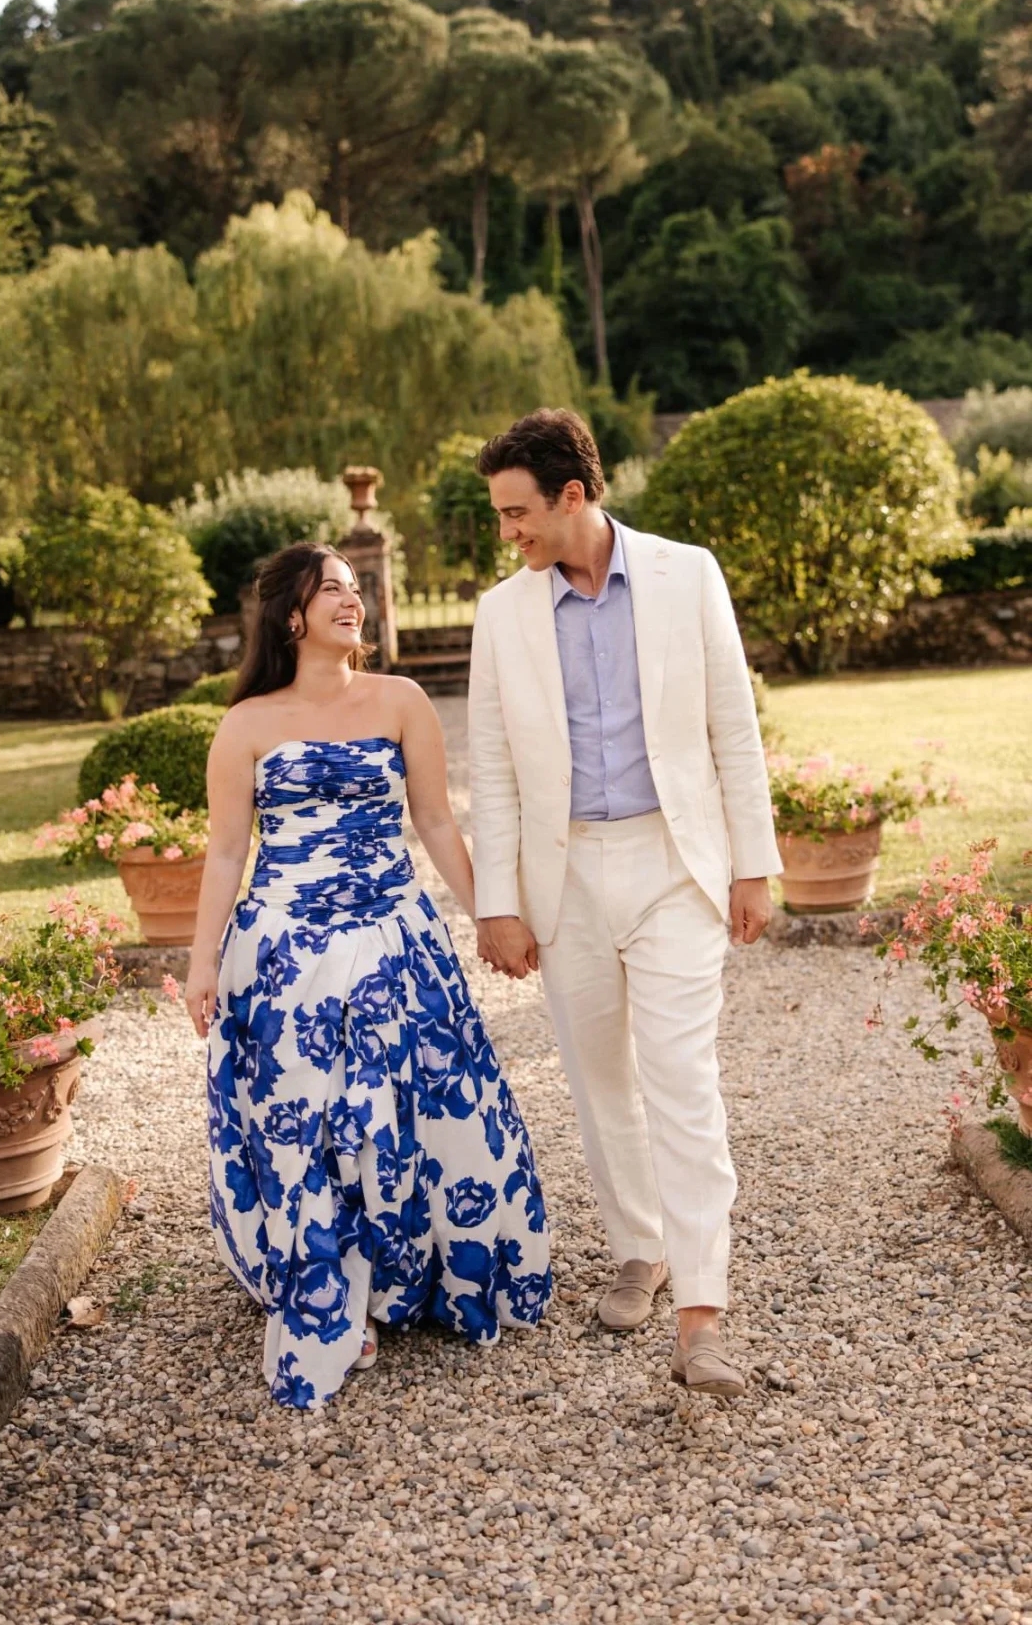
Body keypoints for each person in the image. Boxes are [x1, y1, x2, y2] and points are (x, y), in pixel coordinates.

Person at [184, 541, 551, 1409]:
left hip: (395, 938)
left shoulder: (402, 700)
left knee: (420, 1107)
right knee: (311, 1122)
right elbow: (227, 850)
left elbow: (435, 822)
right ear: (291, 616)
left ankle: (421, 1276)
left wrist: (490, 915)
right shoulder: (246, 724)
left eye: (355, 588)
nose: (353, 602)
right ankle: (339, 1297)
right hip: (284, 952)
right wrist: (202, 962)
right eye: (332, 591)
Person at [468, 409, 780, 1399]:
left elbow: (733, 726)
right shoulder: (500, 615)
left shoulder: (688, 575)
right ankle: (640, 1248)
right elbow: (495, 771)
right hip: (565, 879)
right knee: (601, 1078)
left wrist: (753, 865)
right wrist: (497, 903)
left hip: (673, 864)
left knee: (681, 1076)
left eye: (518, 512)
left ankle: (702, 1317)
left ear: (574, 494)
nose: (508, 532)